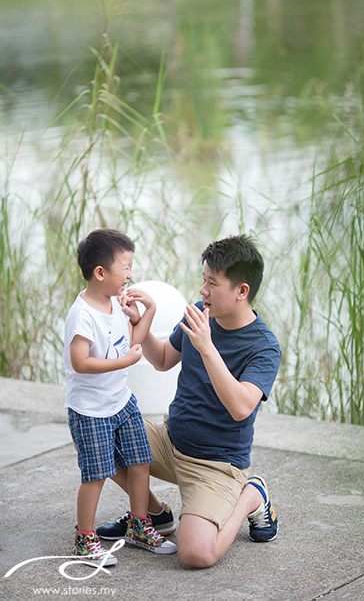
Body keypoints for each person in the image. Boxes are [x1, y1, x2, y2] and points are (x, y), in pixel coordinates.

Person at [95, 234, 282, 568]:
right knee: (96, 433)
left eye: (212, 283)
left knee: (196, 554)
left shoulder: (263, 347)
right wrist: (141, 320)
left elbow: (241, 407)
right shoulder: (199, 313)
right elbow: (164, 358)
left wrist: (208, 347)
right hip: (171, 442)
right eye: (203, 280)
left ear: (242, 291)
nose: (203, 291)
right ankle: (155, 514)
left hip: (216, 465)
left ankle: (251, 493)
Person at [65, 228, 177, 567]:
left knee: (140, 462)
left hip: (121, 401)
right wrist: (124, 361)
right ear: (100, 273)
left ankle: (140, 525)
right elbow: (80, 362)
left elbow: (130, 344)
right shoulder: (83, 314)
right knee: (96, 474)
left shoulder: (116, 302)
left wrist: (149, 312)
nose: (131, 274)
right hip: (91, 410)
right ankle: (85, 539)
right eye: (125, 267)